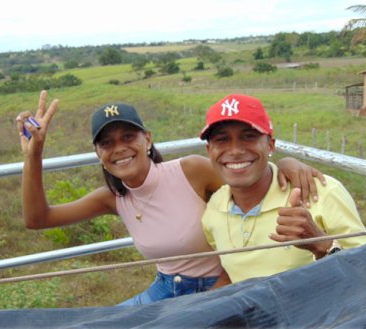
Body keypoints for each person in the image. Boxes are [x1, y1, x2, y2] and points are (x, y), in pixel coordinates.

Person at [16, 90, 325, 305]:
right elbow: (37, 219)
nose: (119, 148)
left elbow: (248, 177)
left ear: (147, 139)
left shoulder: (190, 171)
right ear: (98, 154)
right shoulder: (112, 198)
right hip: (165, 288)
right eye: (107, 143)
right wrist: (35, 155)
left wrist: (285, 163)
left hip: (220, 287)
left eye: (128, 137)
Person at [201, 94, 366, 287]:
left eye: (248, 137)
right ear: (209, 152)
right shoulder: (214, 208)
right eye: (222, 140)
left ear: (270, 145)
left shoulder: (321, 192)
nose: (235, 150)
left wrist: (322, 245)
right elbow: (230, 272)